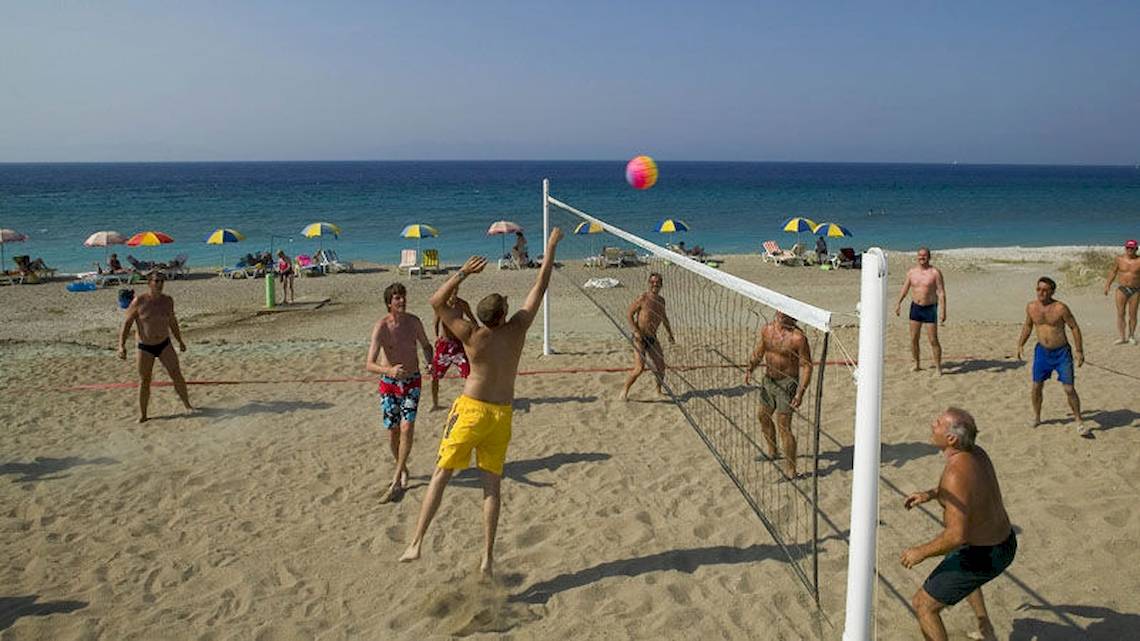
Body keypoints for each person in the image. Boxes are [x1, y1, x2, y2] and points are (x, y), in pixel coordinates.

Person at [399, 228, 564, 579]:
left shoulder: (473, 335)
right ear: (504, 313)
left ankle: (416, 541)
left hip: (471, 411)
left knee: (442, 473)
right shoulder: (517, 329)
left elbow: (435, 302)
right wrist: (549, 248)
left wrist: (462, 273)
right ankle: (487, 558)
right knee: (492, 487)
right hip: (500, 415)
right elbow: (540, 286)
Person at [901, 408, 1015, 641]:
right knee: (957, 561)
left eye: (939, 423)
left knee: (923, 605)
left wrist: (919, 552)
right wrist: (931, 494)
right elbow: (967, 491)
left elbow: (955, 536)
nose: (933, 424)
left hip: (984, 554)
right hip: (1005, 541)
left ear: (951, 438)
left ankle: (985, 627)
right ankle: (986, 628)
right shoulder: (977, 453)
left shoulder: (955, 473)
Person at [365, 283, 434, 504]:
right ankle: (402, 467)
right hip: (389, 384)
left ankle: (396, 479)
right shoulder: (382, 327)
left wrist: (430, 362)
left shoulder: (414, 322)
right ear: (389, 303)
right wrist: (389, 370)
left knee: (407, 427)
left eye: (403, 297)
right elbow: (369, 364)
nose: (402, 301)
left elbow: (426, 345)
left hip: (412, 381)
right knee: (393, 431)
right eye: (397, 298)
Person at [744, 311, 813, 478]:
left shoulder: (798, 338)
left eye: (785, 311)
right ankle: (772, 451)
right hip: (769, 381)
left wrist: (800, 393)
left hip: (787, 384)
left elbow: (807, 366)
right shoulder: (767, 330)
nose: (780, 314)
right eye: (779, 310)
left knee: (784, 426)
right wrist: (750, 368)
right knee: (763, 416)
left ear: (792, 315)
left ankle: (791, 470)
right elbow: (759, 351)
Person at [1016, 276, 1088, 437]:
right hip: (1042, 352)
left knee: (1069, 388)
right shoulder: (1031, 307)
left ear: (1052, 291)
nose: (1041, 293)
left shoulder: (1061, 308)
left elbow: (1074, 327)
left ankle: (1079, 420)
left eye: (1045, 290)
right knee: (1036, 386)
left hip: (1062, 353)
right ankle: (1037, 417)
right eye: (1038, 289)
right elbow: (1028, 326)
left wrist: (1079, 351)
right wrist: (1020, 344)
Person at [117, 271, 193, 423]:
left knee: (176, 374)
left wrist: (180, 341)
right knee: (145, 380)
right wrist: (121, 346)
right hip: (145, 346)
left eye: (162, 281)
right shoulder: (139, 301)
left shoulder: (168, 301)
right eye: (156, 281)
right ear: (149, 283)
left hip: (164, 343)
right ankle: (143, 415)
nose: (160, 284)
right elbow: (126, 324)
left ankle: (188, 405)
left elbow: (172, 322)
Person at [620, 272, 676, 400]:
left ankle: (658, 391)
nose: (655, 284)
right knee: (639, 368)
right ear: (649, 283)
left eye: (657, 282)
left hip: (652, 338)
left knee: (661, 367)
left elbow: (664, 318)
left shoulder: (662, 301)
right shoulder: (643, 298)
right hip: (639, 338)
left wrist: (670, 334)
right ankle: (624, 391)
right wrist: (636, 331)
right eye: (652, 282)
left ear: (661, 284)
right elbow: (629, 314)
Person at [894, 247, 947, 374]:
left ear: (929, 257)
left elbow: (941, 292)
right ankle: (916, 363)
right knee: (913, 339)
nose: (921, 257)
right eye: (919, 255)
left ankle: (938, 367)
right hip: (916, 308)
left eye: (924, 255)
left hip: (929, 308)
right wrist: (898, 303)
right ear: (917, 257)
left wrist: (943, 310)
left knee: (933, 340)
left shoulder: (935, 272)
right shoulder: (912, 272)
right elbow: (905, 289)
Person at [430, 291, 478, 411]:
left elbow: (473, 320)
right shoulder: (441, 305)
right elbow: (435, 322)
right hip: (444, 345)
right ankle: (435, 403)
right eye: (451, 291)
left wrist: (473, 334)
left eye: (455, 290)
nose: (453, 294)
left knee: (468, 373)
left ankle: (472, 400)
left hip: (458, 344)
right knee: (435, 375)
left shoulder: (462, 304)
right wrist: (436, 338)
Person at [1104, 239, 1139, 345]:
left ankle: (1131, 336)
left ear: (1136, 249)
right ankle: (1122, 337)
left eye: (1132, 248)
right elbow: (1113, 272)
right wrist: (1107, 285)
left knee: (1132, 315)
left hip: (1135, 290)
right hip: (1121, 289)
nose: (1129, 250)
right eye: (1128, 247)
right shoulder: (1119, 259)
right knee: (1120, 314)